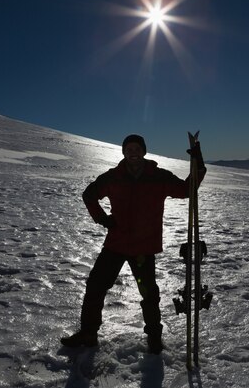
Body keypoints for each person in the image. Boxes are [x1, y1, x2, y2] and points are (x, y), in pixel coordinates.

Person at [61, 134, 206, 354]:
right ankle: (89, 333)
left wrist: (199, 163)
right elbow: (89, 195)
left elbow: (187, 189)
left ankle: (154, 338)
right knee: (95, 286)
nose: (133, 152)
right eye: (129, 149)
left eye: (137, 148)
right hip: (116, 244)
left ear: (144, 151)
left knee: (149, 294)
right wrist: (102, 219)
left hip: (144, 247)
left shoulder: (158, 176)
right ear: (124, 153)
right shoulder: (113, 177)